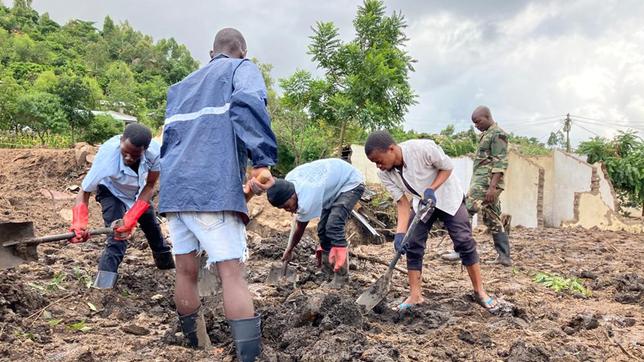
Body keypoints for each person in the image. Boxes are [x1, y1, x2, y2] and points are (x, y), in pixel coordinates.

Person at [159, 28, 277, 361]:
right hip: (212, 188)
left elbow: (170, 141)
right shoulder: (242, 68)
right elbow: (249, 103)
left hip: (176, 192)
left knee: (185, 271)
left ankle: (197, 347)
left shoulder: (180, 87)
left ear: (211, 53)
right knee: (231, 274)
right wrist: (261, 160)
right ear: (242, 50)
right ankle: (248, 357)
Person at [364, 130, 497, 312]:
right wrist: (400, 234)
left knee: (464, 241)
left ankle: (480, 291)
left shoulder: (422, 149)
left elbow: (447, 167)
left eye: (378, 160)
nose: (378, 166)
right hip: (423, 203)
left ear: (391, 149)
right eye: (374, 163)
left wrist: (432, 188)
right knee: (411, 243)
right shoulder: (385, 174)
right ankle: (415, 295)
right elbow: (402, 203)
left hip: (449, 197)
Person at [69, 123, 174, 289]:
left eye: (135, 155)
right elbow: (85, 191)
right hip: (111, 190)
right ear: (121, 141)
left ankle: (166, 265)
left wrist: (132, 217)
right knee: (118, 235)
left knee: (151, 225)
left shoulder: (155, 153)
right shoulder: (107, 155)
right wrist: (79, 223)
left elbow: (150, 185)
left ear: (145, 151)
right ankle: (103, 286)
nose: (128, 158)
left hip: (137, 191)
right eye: (125, 152)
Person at [266, 159, 365, 288]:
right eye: (283, 208)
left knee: (333, 225)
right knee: (322, 231)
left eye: (287, 206)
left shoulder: (307, 198)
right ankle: (327, 271)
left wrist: (290, 249)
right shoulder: (290, 180)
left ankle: (341, 278)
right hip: (330, 189)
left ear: (292, 196)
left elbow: (300, 227)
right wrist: (290, 249)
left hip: (349, 183)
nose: (288, 210)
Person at [466, 106, 512, 266]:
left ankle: (461, 250)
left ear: (487, 117)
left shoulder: (497, 134)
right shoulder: (487, 134)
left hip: (486, 182)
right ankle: (504, 257)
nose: (476, 126)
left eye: (478, 121)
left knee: (467, 209)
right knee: (492, 217)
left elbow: (500, 162)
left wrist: (492, 187)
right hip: (485, 181)